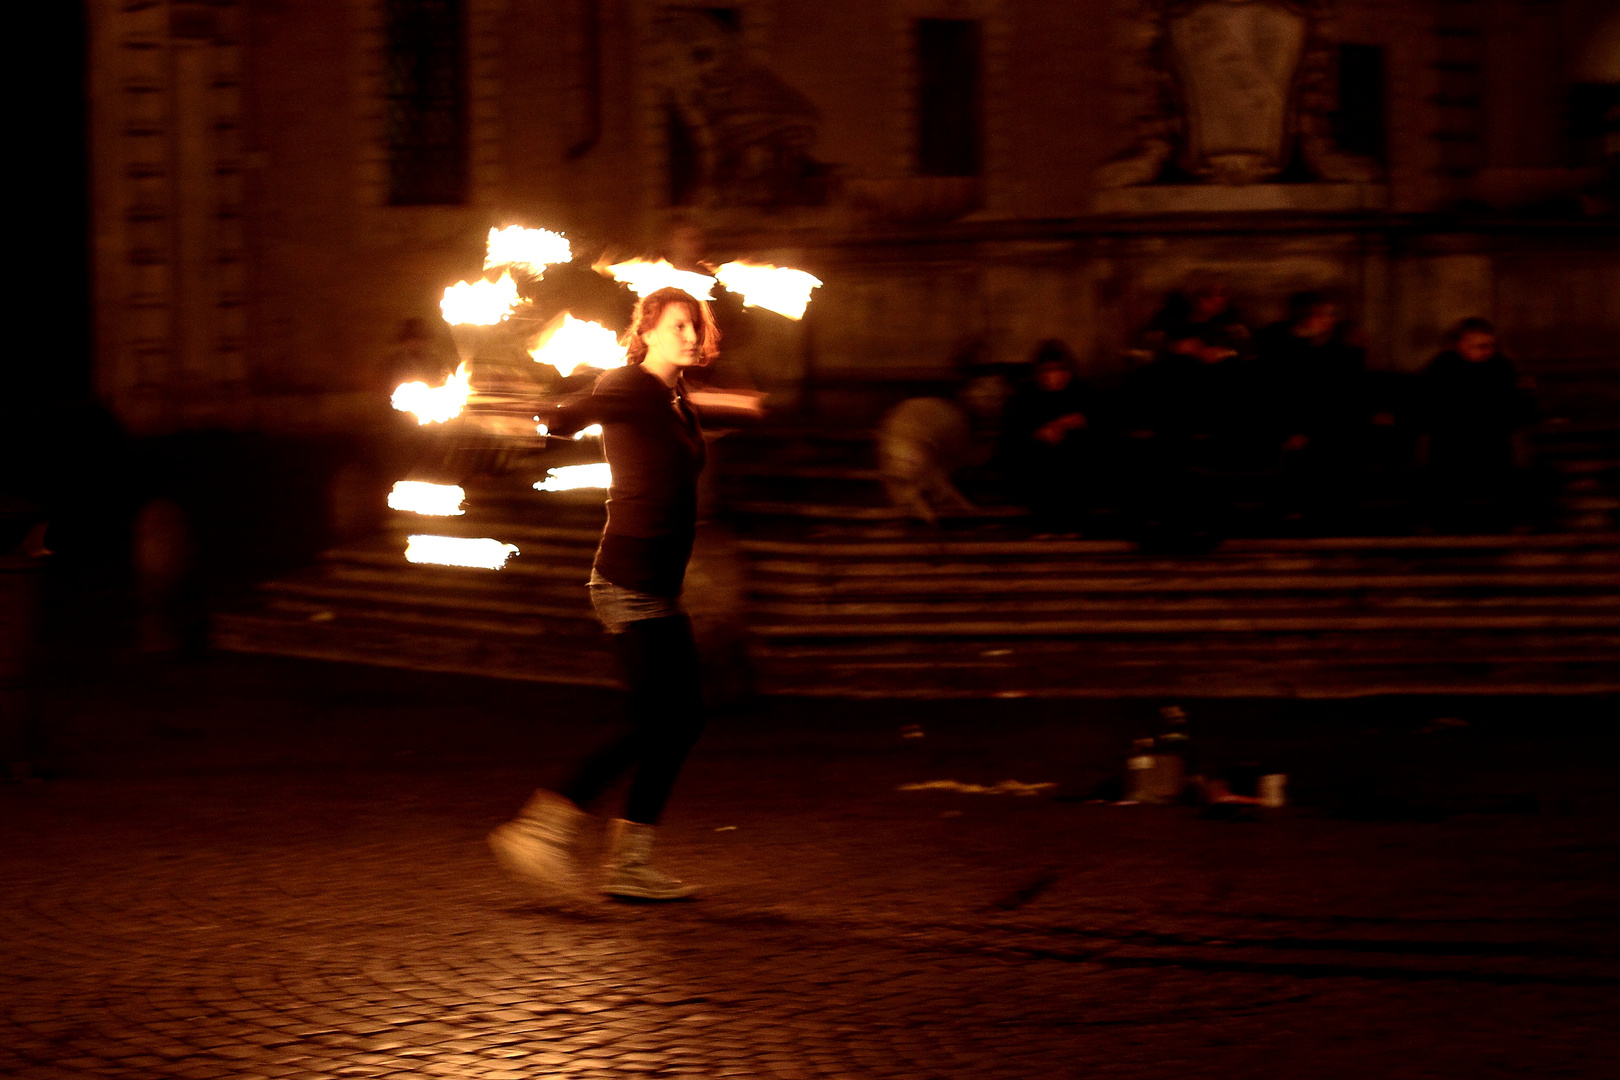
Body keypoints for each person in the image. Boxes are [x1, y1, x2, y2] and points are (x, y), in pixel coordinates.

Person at [488, 287, 763, 901]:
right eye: (678, 326)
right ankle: (542, 829)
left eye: (696, 325)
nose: (691, 336)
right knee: (660, 719)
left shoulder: (676, 401)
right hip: (629, 581)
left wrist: (745, 409)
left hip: (657, 586)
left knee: (681, 718)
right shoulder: (630, 385)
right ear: (649, 331)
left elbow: (691, 438)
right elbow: (569, 413)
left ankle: (628, 862)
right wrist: (527, 415)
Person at [1253, 292, 1370, 527]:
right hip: (1288, 422)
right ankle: (1295, 510)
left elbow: (1343, 394)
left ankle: (1331, 510)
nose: (1324, 320)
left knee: (1336, 445)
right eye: (1318, 315)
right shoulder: (1281, 346)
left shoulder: (1340, 349)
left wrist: (1357, 352)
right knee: (1303, 452)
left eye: (1329, 315)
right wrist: (1290, 431)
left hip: (1326, 423)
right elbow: (1277, 394)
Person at [1419, 318, 1536, 529]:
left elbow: (1519, 403)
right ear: (1462, 345)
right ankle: (1436, 522)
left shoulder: (1502, 366)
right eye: (1481, 346)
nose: (1487, 352)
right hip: (1452, 439)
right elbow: (1428, 404)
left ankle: (1512, 521)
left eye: (1491, 346)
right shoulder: (1443, 367)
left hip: (1493, 437)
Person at [1000, 340, 1097, 531]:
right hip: (1036, 462)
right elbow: (1011, 437)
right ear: (1039, 374)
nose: (1054, 376)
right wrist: (1038, 434)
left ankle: (1073, 522)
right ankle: (1048, 522)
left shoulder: (1084, 392)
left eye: (1061, 370)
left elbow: (1101, 424)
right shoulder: (1025, 397)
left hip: (1078, 460)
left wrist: (1077, 423)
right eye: (1048, 371)